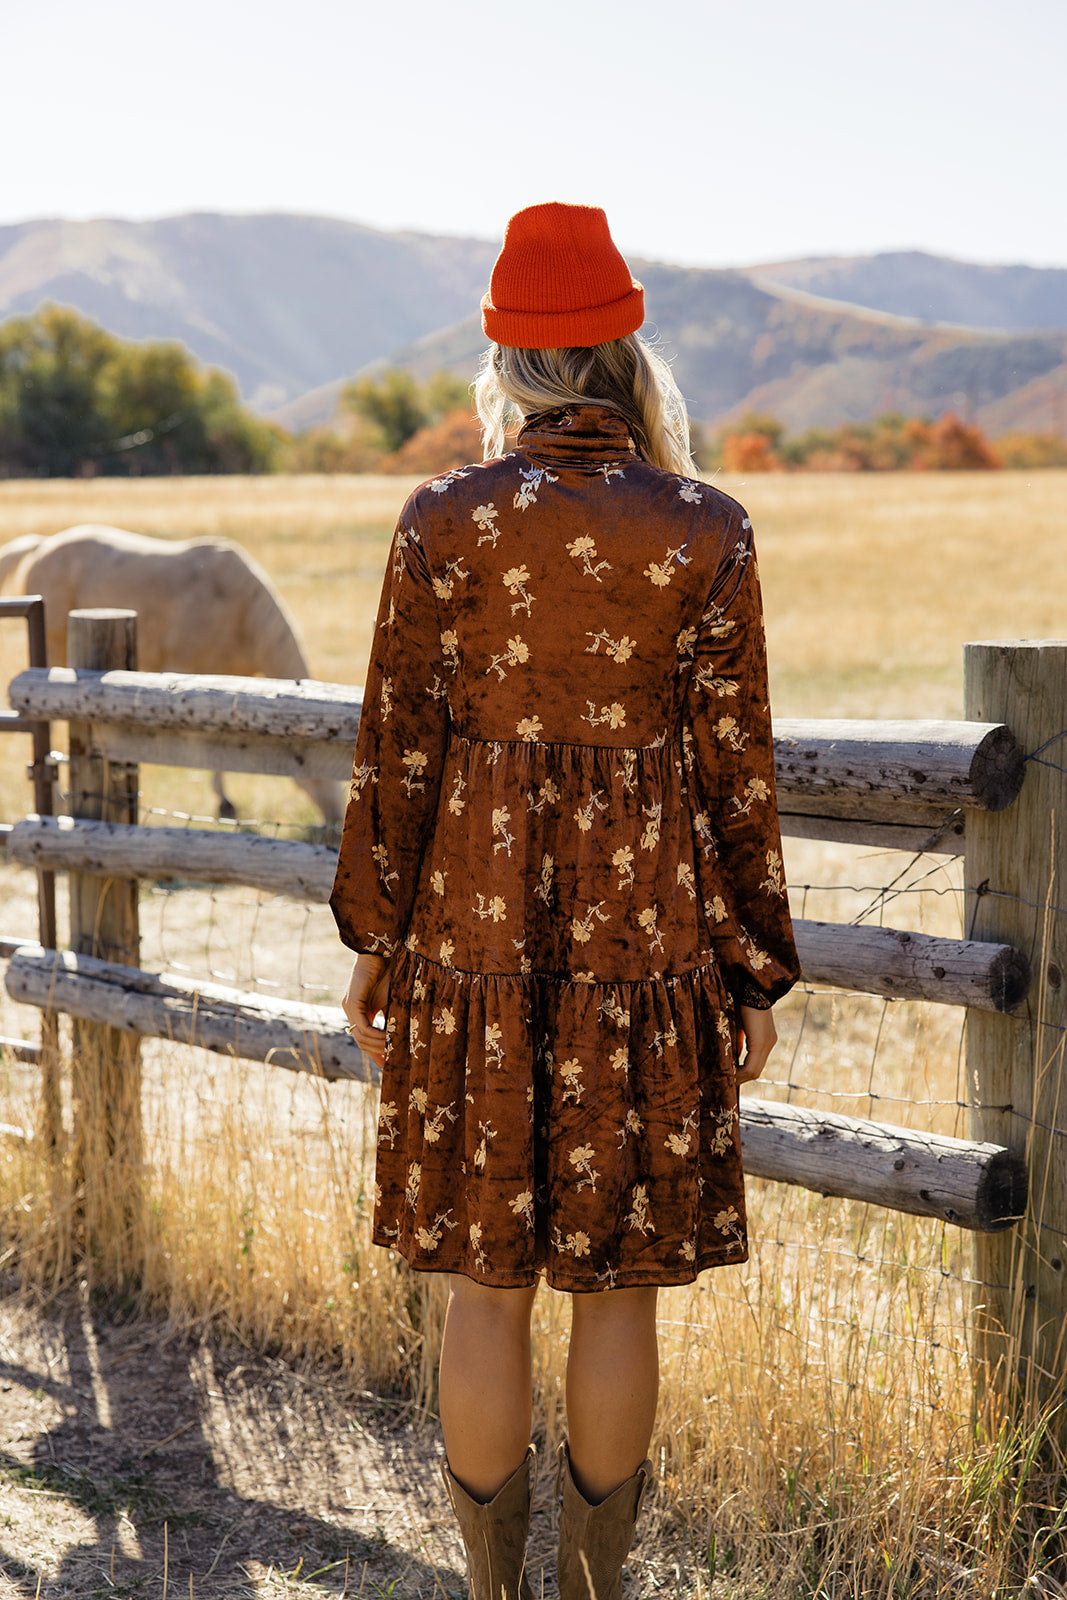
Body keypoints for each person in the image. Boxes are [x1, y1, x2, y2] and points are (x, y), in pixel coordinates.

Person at [331, 202, 800, 1600]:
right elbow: (737, 778)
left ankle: (495, 1592)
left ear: (508, 360)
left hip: (466, 949)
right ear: (622, 351)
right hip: (645, 957)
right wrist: (752, 972)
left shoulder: (441, 522)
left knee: (487, 1285)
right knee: (617, 1288)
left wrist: (373, 942)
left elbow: (395, 752)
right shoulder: (707, 531)